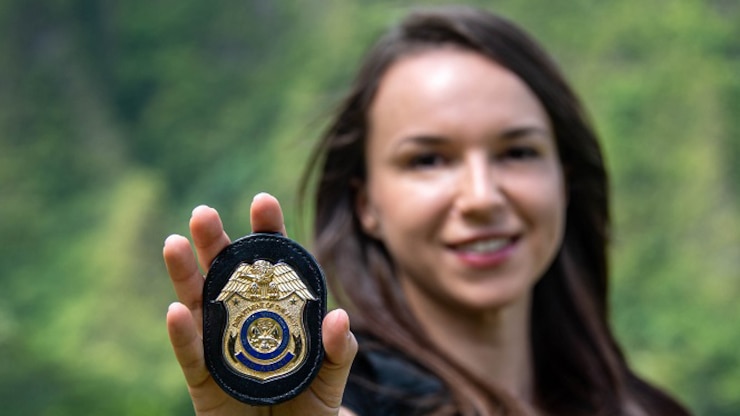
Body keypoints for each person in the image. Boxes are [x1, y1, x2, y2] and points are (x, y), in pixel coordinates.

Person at [163, 6, 691, 416]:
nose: (483, 197)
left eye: (518, 152)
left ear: (565, 180)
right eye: (430, 160)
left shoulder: (644, 405)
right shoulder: (341, 399)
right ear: (366, 204)